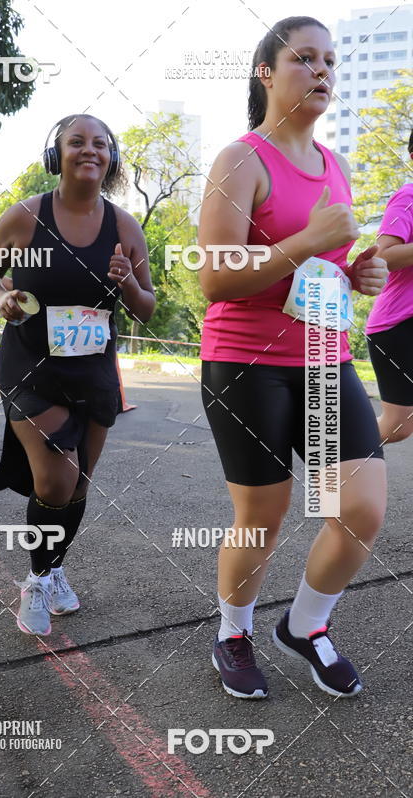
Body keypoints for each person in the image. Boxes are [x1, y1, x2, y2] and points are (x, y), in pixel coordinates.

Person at [198, 17, 388, 699]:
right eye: (305, 58)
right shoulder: (241, 159)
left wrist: (358, 273)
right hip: (247, 365)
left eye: (330, 61)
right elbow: (216, 278)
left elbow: (324, 271)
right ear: (267, 72)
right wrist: (307, 241)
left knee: (360, 510)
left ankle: (305, 626)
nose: (323, 72)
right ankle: (233, 631)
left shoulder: (335, 165)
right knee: (264, 517)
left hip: (324, 356)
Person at [0, 114, 155, 636]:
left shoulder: (123, 226)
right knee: (56, 478)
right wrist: (0, 294)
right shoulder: (27, 216)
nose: (89, 150)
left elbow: (147, 307)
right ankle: (34, 581)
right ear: (58, 155)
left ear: (111, 158)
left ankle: (53, 570)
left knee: (79, 485)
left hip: (94, 370)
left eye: (101, 143)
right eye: (77, 142)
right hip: (31, 367)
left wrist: (128, 286)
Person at [366, 132, 413, 444]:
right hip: (398, 326)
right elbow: (384, 257)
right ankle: (331, 450)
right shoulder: (408, 197)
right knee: (398, 426)